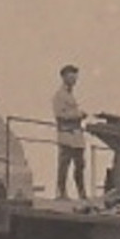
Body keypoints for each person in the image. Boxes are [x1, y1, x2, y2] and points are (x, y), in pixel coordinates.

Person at [51, 63, 87, 199]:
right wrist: (78, 115)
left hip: (77, 137)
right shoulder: (59, 96)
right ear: (64, 77)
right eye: (71, 77)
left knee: (80, 166)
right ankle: (61, 193)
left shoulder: (70, 95)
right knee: (64, 167)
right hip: (66, 135)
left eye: (75, 77)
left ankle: (82, 193)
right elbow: (60, 115)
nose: (74, 80)